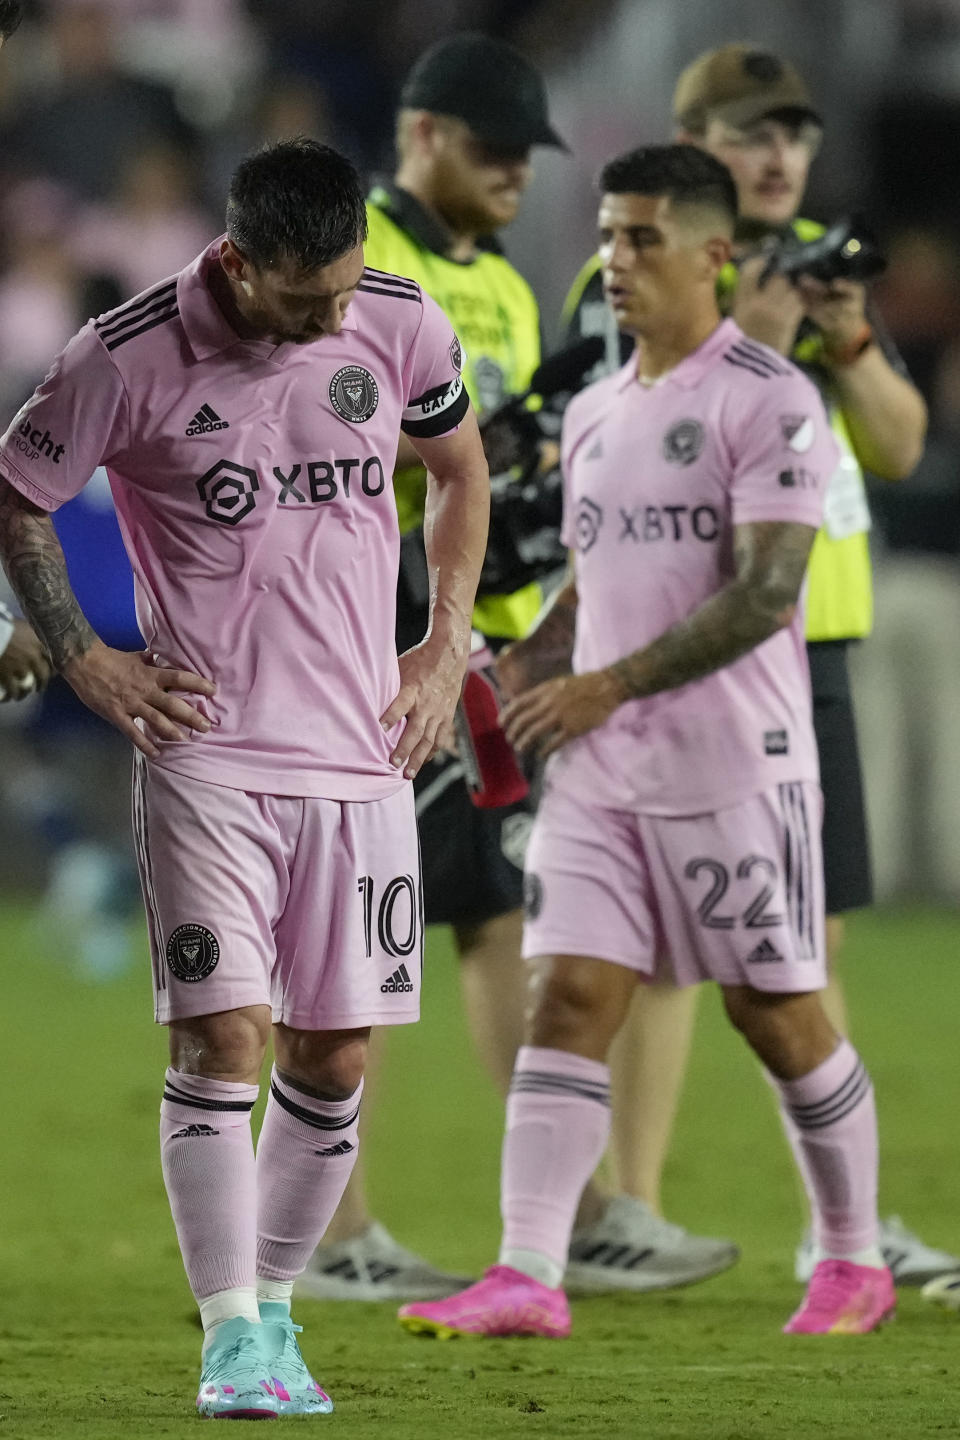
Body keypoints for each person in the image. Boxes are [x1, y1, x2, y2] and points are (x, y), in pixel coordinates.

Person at [0, 138, 488, 1418]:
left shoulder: (396, 319)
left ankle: (274, 1316)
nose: (332, 319)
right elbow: (16, 495)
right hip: (211, 752)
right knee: (225, 1037)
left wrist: (441, 647)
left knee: (335, 1060)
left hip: (367, 752)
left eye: (344, 289)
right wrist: (83, 659)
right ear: (235, 258)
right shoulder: (124, 351)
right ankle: (229, 1338)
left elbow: (460, 473)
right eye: (303, 299)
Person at [397, 143, 897, 1342]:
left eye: (642, 240)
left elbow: (768, 591)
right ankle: (528, 1271)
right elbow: (594, 582)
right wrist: (522, 669)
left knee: (774, 1013)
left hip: (736, 766)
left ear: (715, 255)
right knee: (567, 997)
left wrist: (603, 686)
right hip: (605, 775)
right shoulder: (593, 406)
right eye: (609, 237)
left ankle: (853, 1258)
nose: (613, 262)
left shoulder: (770, 395)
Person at [558, 43, 955, 1294]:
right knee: (660, 954)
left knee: (807, 946)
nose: (779, 154)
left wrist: (841, 344)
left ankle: (841, 1226)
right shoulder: (636, 273)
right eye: (748, 133)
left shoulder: (818, 264)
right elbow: (607, 442)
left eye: (793, 134)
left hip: (807, 644)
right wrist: (761, 341)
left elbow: (896, 444)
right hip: (680, 651)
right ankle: (632, 1204)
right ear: (696, 154)